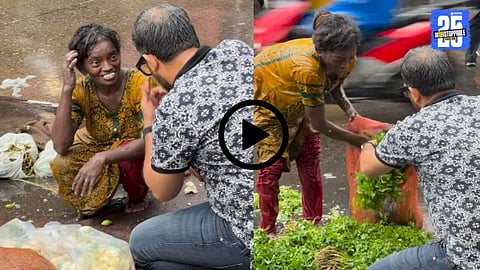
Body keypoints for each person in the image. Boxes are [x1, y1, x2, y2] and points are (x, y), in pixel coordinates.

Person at [128, 3, 253, 269]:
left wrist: (151, 122)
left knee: (141, 243)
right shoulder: (237, 49)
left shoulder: (175, 107)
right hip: (265, 196)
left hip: (244, 231)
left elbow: (164, 190)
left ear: (151, 61)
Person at [359, 46, 480, 269]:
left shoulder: (412, 129)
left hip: (466, 257)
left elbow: (369, 168)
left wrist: (369, 143)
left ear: (413, 92)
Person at [254, 10, 369, 235]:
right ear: (321, 52)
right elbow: (321, 123)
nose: (346, 65)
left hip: (299, 101)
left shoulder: (346, 58)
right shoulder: (307, 69)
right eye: (339, 59)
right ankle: (268, 229)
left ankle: (313, 223)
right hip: (268, 103)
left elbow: (334, 81)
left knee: (310, 157)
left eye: (350, 58)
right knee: (271, 168)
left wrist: (349, 110)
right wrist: (358, 140)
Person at [50, 24, 154, 218]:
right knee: (62, 163)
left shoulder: (139, 83)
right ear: (82, 67)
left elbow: (152, 139)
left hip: (135, 151)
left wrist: (102, 157)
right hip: (99, 143)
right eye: (96, 63)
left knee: (127, 159)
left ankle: (138, 195)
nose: (108, 67)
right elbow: (60, 145)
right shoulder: (81, 90)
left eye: (113, 57)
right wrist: (67, 88)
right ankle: (94, 202)